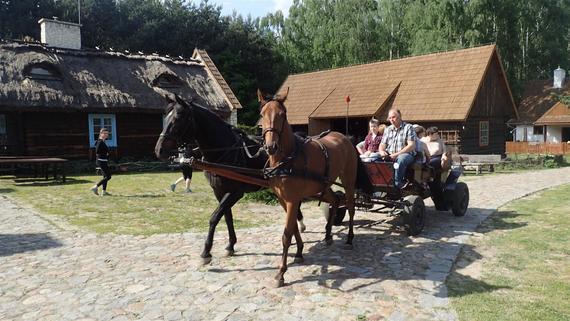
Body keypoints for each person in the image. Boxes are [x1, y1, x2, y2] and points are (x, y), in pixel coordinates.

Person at [378, 108, 416, 188]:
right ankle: (378, 182)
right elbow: (382, 145)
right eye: (390, 118)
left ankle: (397, 183)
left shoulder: (408, 127)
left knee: (401, 159)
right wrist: (381, 151)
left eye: (394, 117)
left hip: (406, 154)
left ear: (400, 116)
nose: (391, 119)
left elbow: (411, 145)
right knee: (372, 158)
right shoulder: (388, 129)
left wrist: (397, 154)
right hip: (390, 154)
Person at [90, 128, 112, 196]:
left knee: (104, 176)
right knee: (108, 177)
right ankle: (95, 187)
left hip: (103, 160)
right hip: (101, 161)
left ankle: (104, 192)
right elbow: (97, 151)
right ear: (101, 133)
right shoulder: (100, 142)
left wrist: (107, 153)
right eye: (104, 133)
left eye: (107, 133)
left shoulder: (102, 141)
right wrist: (106, 153)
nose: (106, 135)